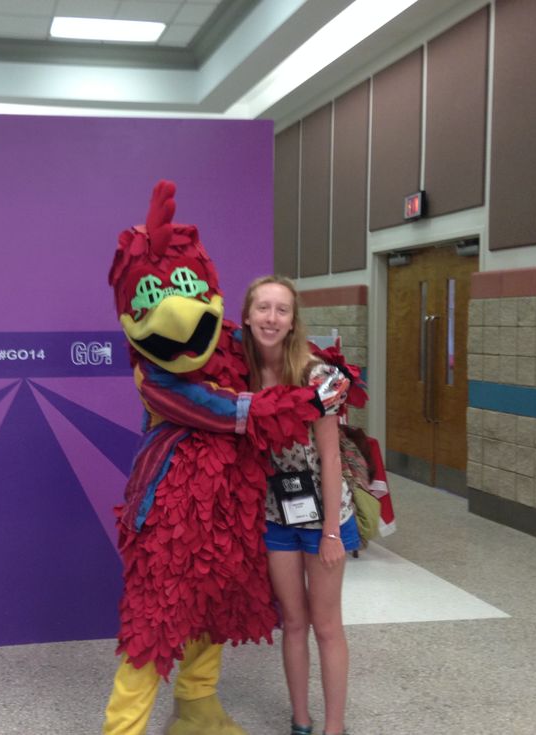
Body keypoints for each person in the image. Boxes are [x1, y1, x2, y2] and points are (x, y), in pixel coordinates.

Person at [103, 183, 324, 735]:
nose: (179, 313)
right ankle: (122, 728)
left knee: (214, 605)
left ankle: (197, 707)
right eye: (155, 296)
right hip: (172, 511)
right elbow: (225, 409)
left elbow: (274, 353)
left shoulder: (231, 341)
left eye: (184, 288)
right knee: (156, 618)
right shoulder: (154, 376)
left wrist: (321, 371)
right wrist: (305, 401)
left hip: (232, 504)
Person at [241, 275, 364, 735]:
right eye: (263, 308)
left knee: (326, 625)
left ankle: (334, 727)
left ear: (293, 321)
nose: (272, 318)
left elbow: (331, 457)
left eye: (282, 310)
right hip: (277, 516)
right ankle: (301, 721)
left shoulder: (317, 376)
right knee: (293, 622)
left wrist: (331, 532)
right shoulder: (242, 376)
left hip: (326, 516)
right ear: (248, 316)